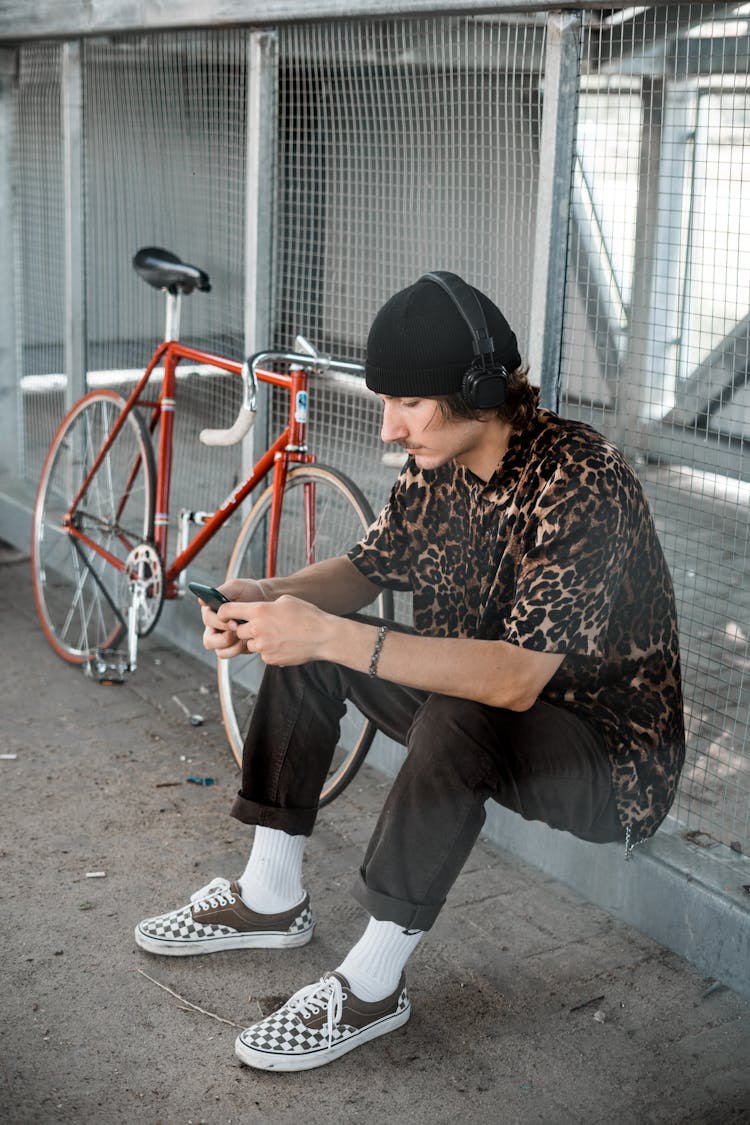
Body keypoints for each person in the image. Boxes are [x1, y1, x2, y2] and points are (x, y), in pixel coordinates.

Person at [135, 272, 685, 1072]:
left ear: (483, 390)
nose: (390, 430)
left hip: (610, 762)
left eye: (409, 405)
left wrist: (326, 632)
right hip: (479, 702)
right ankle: (270, 893)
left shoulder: (582, 481)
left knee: (448, 707)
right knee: (314, 645)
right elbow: (367, 567)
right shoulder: (437, 464)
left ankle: (371, 985)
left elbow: (512, 682)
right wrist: (270, 596)